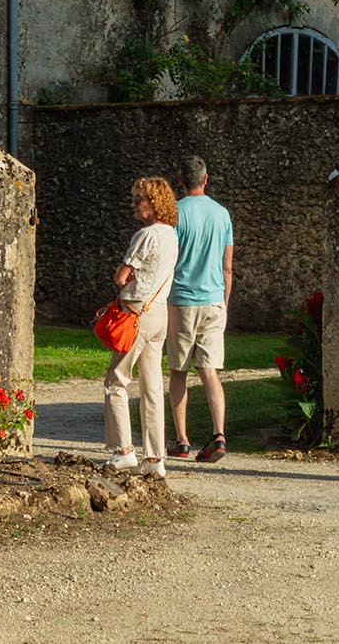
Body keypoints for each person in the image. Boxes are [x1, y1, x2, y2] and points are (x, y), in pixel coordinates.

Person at [103, 175, 178, 477]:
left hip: (136, 312)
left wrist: (123, 275)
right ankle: (155, 457)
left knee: (116, 380)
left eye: (139, 200)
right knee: (152, 385)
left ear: (154, 203)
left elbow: (121, 277)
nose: (133, 205)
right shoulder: (171, 235)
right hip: (158, 312)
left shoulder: (145, 235)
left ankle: (123, 451)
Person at [166, 155, 234, 462]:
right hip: (214, 299)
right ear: (206, 179)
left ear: (180, 180)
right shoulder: (222, 214)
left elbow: (168, 259)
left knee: (179, 371)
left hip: (182, 300)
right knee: (210, 371)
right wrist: (224, 304)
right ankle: (219, 435)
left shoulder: (175, 213)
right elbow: (227, 267)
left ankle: (182, 440)